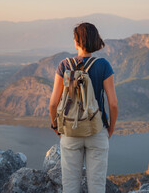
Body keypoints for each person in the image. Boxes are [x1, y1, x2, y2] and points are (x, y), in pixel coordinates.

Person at [49, 22, 118, 193]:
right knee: (97, 186)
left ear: (76, 41)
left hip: (70, 131)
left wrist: (56, 126)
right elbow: (113, 104)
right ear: (95, 40)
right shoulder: (103, 65)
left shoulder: (64, 65)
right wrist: (110, 128)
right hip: (96, 130)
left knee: (70, 185)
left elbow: (52, 104)